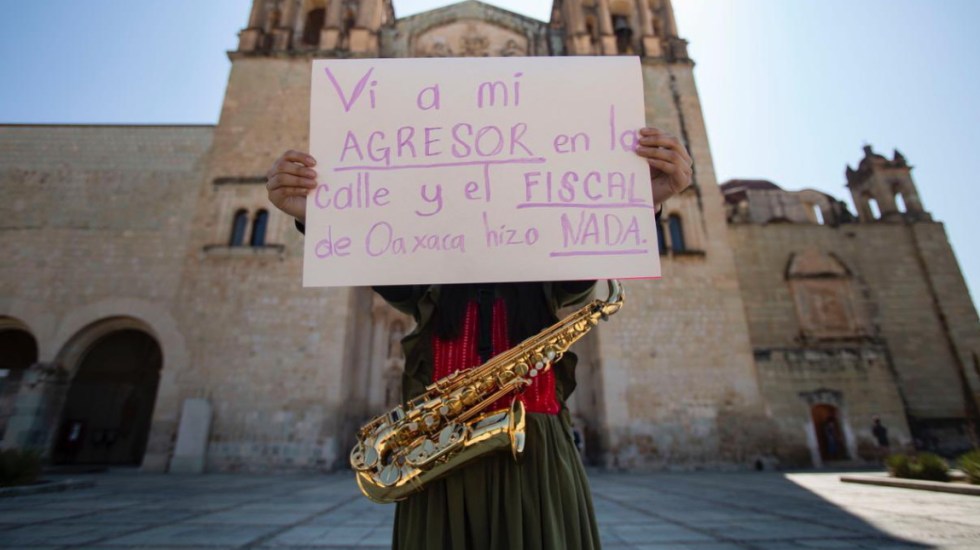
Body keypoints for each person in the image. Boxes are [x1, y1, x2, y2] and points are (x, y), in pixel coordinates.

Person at [266, 127, 692, 550]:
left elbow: (586, 263)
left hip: (535, 454)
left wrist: (643, 201)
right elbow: (377, 265)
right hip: (437, 456)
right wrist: (314, 214)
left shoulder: (547, 261)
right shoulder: (427, 269)